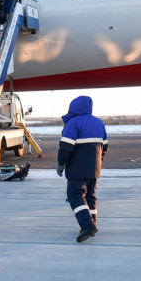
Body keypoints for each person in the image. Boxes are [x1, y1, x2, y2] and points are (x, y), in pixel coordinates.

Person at [56, 96, 108, 243]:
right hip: (94, 169)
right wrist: (97, 162)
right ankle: (93, 223)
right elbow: (104, 147)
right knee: (90, 196)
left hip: (77, 169)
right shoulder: (99, 123)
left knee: (75, 196)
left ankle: (87, 225)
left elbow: (66, 147)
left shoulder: (73, 123)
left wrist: (61, 164)